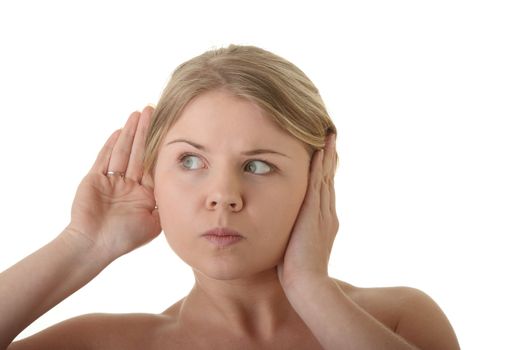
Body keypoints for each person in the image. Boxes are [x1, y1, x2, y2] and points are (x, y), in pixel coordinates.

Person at [0, 44, 460, 349]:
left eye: (258, 165)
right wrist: (82, 244)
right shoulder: (107, 344)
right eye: (191, 162)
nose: (223, 196)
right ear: (152, 172)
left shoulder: (400, 320)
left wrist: (310, 287)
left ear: (320, 177)